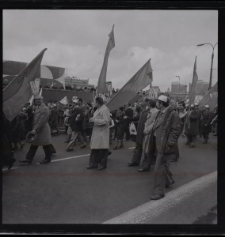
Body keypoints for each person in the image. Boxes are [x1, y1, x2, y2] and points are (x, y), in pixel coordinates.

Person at [150, 95, 181, 200]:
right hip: (158, 144)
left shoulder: (173, 114)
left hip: (164, 145)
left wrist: (169, 144)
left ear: (161, 103)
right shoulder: (161, 112)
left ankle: (159, 192)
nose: (156, 104)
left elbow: (176, 130)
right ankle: (168, 180)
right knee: (164, 165)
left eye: (157, 102)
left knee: (158, 167)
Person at [19, 95, 53, 165]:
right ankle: (28, 159)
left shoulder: (45, 108)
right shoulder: (38, 108)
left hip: (43, 130)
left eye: (39, 99)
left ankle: (47, 158)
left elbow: (42, 121)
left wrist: (35, 129)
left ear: (42, 100)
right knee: (34, 144)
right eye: (36, 100)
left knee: (45, 145)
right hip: (38, 130)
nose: (37, 101)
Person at [87, 97, 110, 170]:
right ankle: (93, 163)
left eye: (94, 102)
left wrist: (95, 121)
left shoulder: (105, 110)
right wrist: (92, 120)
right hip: (97, 132)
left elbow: (106, 121)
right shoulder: (98, 110)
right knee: (94, 148)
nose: (93, 103)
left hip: (102, 133)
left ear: (97, 102)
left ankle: (102, 164)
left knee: (102, 149)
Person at [138, 99, 158, 172]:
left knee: (148, 150)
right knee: (148, 150)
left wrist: (146, 130)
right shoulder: (154, 111)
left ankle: (146, 166)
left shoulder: (154, 112)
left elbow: (154, 124)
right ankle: (147, 165)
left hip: (150, 133)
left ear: (149, 105)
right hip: (150, 133)